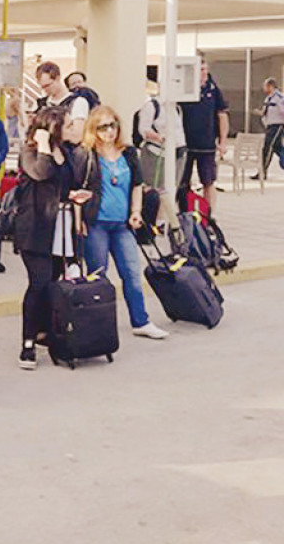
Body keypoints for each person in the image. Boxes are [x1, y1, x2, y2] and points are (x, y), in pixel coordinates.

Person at [74, 107, 169, 340]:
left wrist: (136, 212)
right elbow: (76, 192)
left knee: (132, 273)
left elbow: (137, 184)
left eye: (112, 125)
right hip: (96, 223)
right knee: (98, 276)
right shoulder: (86, 154)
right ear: (93, 130)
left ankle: (141, 321)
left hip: (122, 224)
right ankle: (99, 325)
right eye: (102, 127)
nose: (109, 131)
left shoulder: (128, 153)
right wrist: (78, 221)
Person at [13, 106, 92, 370]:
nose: (73, 129)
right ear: (54, 128)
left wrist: (75, 197)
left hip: (61, 225)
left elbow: (65, 183)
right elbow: (40, 173)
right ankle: (27, 342)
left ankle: (46, 331)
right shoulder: (30, 151)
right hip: (36, 228)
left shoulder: (66, 152)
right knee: (39, 283)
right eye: (68, 125)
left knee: (54, 281)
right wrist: (44, 145)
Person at [178, 58, 229, 211]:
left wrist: (223, 141)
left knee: (208, 181)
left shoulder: (213, 90)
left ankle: (209, 214)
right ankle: (185, 212)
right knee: (183, 182)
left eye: (205, 69)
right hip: (185, 143)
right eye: (200, 70)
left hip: (206, 144)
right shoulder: (184, 89)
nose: (203, 73)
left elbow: (222, 115)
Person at [136, 87, 186, 190]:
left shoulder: (177, 107)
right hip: (156, 152)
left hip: (178, 152)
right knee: (155, 187)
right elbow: (143, 129)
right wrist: (159, 137)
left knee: (173, 187)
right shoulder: (152, 106)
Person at [35, 61, 90, 145]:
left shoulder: (78, 102)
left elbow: (77, 136)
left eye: (48, 85)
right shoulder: (42, 104)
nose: (45, 90)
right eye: (42, 87)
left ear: (58, 78)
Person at [257, 78, 284, 176]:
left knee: (267, 147)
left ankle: (262, 172)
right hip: (270, 126)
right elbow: (266, 111)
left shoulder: (279, 97)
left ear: (270, 86)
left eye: (265, 86)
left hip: (277, 126)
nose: (263, 88)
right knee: (277, 147)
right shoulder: (269, 98)